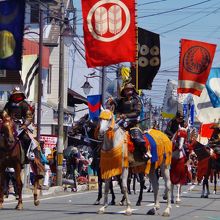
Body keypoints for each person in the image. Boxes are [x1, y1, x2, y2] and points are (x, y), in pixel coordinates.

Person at [2, 87, 44, 178]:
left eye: (18, 94)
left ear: (21, 95)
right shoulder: (8, 104)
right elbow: (4, 113)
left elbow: (29, 116)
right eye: (15, 94)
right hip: (9, 124)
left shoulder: (24, 104)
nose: (17, 95)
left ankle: (28, 155)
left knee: (27, 139)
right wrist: (6, 118)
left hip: (20, 126)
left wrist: (25, 124)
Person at [106, 82, 151, 161]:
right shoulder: (121, 100)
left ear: (133, 90)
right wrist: (111, 101)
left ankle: (145, 152)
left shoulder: (136, 100)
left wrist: (126, 116)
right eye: (126, 90)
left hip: (133, 123)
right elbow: (116, 106)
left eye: (129, 89)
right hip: (121, 123)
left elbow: (137, 112)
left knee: (137, 139)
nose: (128, 91)